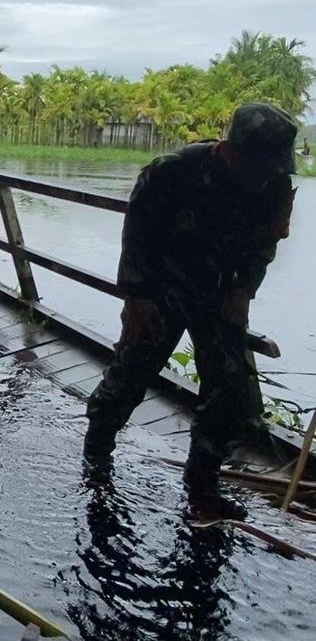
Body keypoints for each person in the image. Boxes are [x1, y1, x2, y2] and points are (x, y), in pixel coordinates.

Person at [84, 102, 297, 520]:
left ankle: (201, 486)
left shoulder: (273, 184)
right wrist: (136, 298)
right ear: (229, 151)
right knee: (131, 374)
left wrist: (243, 291)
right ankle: (96, 462)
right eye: (255, 166)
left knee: (229, 391)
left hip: (220, 292)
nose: (263, 176)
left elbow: (264, 245)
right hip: (163, 286)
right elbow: (137, 235)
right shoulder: (171, 171)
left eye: (270, 168)